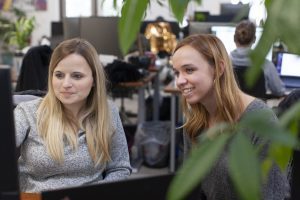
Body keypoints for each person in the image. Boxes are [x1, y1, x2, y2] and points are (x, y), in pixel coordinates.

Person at [171, 34, 289, 199]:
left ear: (219, 69)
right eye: (176, 73)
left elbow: (273, 195)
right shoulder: (194, 122)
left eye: (189, 70)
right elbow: (193, 189)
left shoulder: (262, 122)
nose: (180, 81)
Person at [14, 38, 132, 193]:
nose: (66, 84)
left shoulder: (108, 113)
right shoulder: (27, 112)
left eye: (77, 76)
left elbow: (120, 169)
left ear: (94, 80)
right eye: (59, 75)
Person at [230, 20, 285, 97]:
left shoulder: (223, 63)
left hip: (230, 108)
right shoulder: (265, 65)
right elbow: (279, 91)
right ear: (255, 39)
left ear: (234, 38)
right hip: (257, 108)